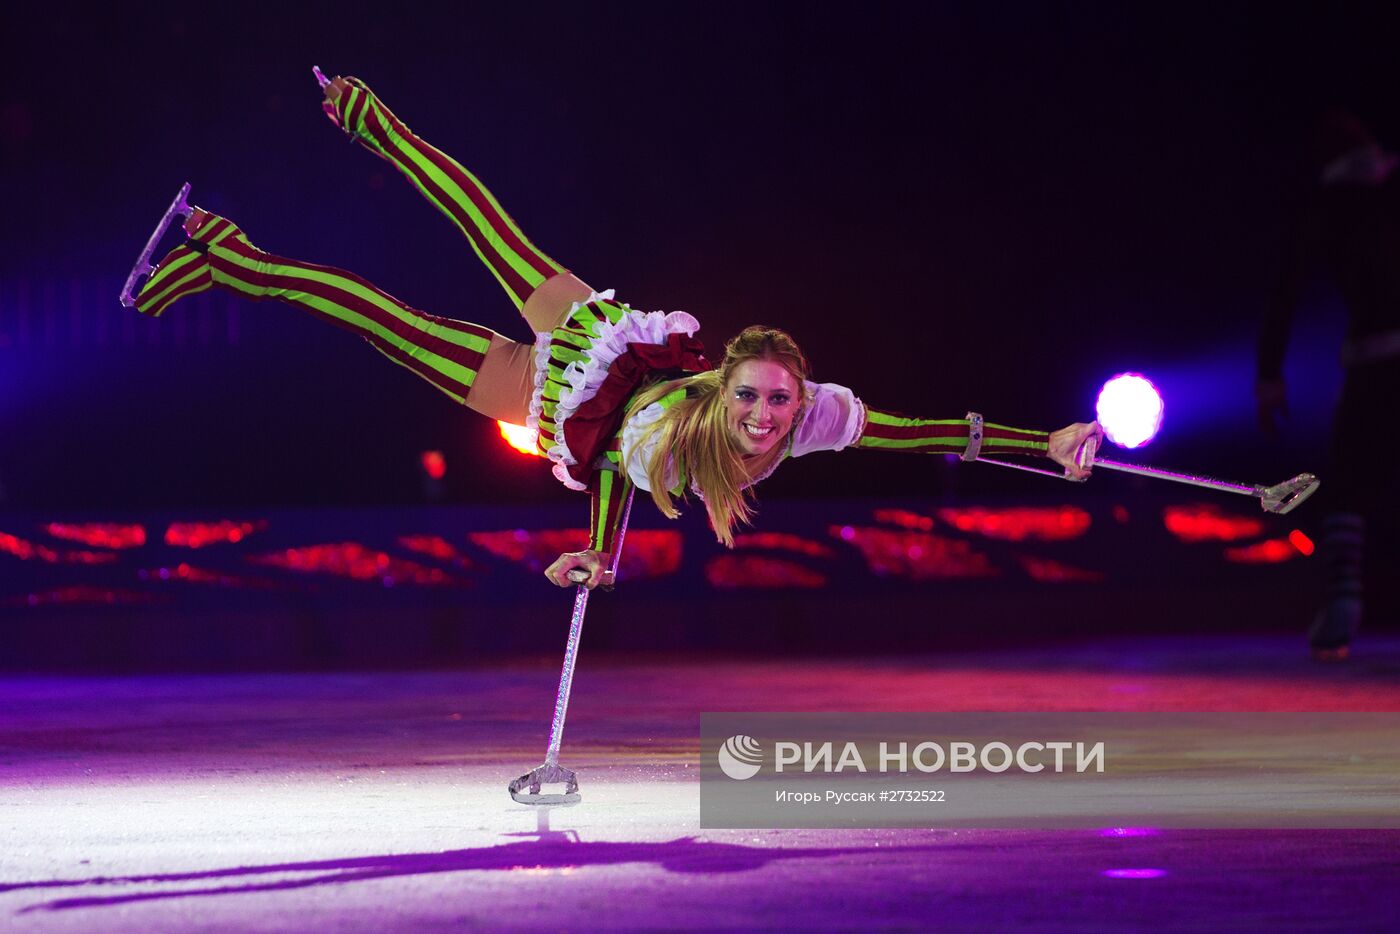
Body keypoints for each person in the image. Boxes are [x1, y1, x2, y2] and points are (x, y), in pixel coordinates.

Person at [132, 74, 1102, 589]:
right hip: (596, 340)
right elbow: (615, 471)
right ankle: (370, 119)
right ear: (726, 386)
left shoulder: (802, 422)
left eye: (779, 401)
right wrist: (600, 549)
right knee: (485, 224)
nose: (767, 417)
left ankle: (229, 256)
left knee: (383, 322)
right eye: (755, 395)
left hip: (538, 396)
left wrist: (1044, 440)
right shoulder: (690, 427)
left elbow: (937, 432)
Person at [1257, 113, 1400, 659]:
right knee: (1347, 483)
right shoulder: (1378, 194)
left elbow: (1285, 294)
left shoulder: (1331, 207)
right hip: (1375, 353)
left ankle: (1342, 601)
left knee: (1345, 486)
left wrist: (1269, 376)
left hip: (1376, 358)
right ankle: (1341, 604)